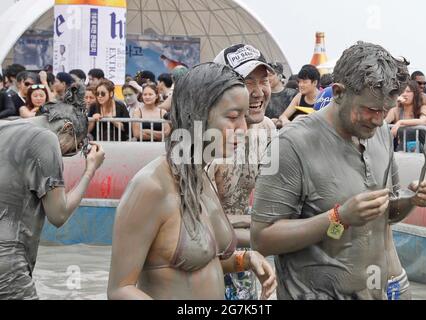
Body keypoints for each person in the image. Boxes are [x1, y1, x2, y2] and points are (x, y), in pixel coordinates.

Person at [251, 41, 426, 300]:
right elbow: (262, 238)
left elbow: (385, 215)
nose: (379, 119)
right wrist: (339, 217)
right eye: (371, 110)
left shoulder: (380, 133)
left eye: (386, 110)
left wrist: (411, 200)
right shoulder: (291, 146)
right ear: (338, 93)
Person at [107, 62, 276, 300]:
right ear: (196, 116)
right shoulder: (151, 187)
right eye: (233, 117)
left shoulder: (201, 176)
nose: (243, 129)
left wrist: (245, 259)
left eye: (244, 117)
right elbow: (119, 290)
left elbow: (204, 263)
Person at [0, 87, 105, 299]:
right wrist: (90, 170)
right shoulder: (45, 139)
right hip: (8, 260)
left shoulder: (5, 129)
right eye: (71, 150)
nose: (64, 156)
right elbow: (59, 214)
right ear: (67, 128)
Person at [212, 44, 276, 300]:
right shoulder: (205, 139)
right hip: (205, 260)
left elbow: (273, 203)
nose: (259, 92)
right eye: (248, 82)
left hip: (246, 252)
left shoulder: (268, 130)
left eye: (264, 81)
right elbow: (196, 227)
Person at [385, 80, 426, 152]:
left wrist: (400, 122)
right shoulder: (395, 110)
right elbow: (383, 122)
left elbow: (423, 121)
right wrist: (394, 102)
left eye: (408, 91)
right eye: (402, 92)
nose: (404, 94)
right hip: (401, 151)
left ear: (415, 94)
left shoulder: (423, 107)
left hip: (420, 153)